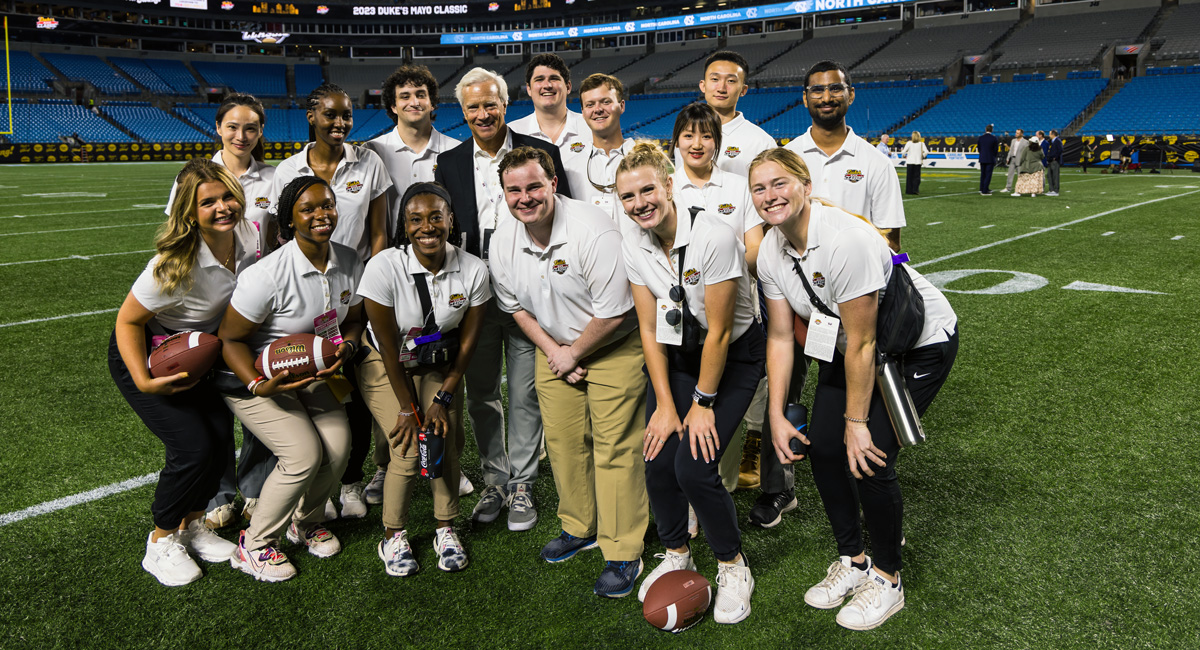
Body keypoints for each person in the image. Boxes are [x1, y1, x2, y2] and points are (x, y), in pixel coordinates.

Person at [750, 147, 958, 631]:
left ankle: (888, 579)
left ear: (804, 184)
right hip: (854, 345)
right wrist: (778, 413)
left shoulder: (845, 240)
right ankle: (854, 560)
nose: (769, 196)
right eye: (758, 188)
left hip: (916, 345)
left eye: (779, 183)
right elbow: (782, 337)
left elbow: (864, 344)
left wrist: (858, 424)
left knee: (869, 456)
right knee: (823, 449)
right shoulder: (771, 252)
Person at [490, 146, 648, 598]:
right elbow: (516, 307)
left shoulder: (593, 231)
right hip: (554, 346)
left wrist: (575, 351)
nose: (525, 197)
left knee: (615, 446)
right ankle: (581, 527)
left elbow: (617, 312)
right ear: (503, 193)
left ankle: (623, 550)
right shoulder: (503, 238)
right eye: (514, 190)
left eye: (534, 186)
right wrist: (556, 352)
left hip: (613, 345)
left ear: (553, 184)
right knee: (561, 441)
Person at [617, 141, 761, 623]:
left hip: (734, 356)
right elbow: (648, 327)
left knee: (696, 466)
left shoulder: (714, 236)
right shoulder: (633, 242)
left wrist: (701, 403)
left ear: (669, 185)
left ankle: (732, 563)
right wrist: (664, 403)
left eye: (647, 190)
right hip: (680, 353)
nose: (639, 204)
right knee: (657, 456)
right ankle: (677, 551)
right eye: (628, 197)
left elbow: (719, 331)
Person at [434, 67, 572, 532]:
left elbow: (564, 220)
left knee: (526, 390)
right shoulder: (449, 163)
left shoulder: (543, 154)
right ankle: (494, 477)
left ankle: (522, 482)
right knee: (483, 393)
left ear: (505, 103)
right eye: (472, 106)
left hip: (532, 295)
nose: (482, 113)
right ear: (463, 111)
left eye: (490, 103)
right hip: (475, 299)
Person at [110, 158, 252, 586]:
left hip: (199, 356)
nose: (223, 207)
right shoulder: (172, 263)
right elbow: (127, 322)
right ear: (190, 212)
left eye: (228, 195)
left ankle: (192, 526)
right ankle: (160, 542)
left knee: (218, 442)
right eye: (208, 202)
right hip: (152, 357)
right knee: (191, 448)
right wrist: (143, 380)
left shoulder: (248, 234)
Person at [219, 175, 364, 582]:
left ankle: (305, 520)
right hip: (256, 378)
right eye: (308, 209)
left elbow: (352, 321)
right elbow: (230, 339)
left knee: (338, 446)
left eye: (328, 205)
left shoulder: (350, 261)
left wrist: (346, 349)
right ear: (289, 220)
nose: (321, 215)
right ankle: (255, 545)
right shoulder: (266, 275)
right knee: (303, 453)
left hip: (311, 373)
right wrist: (257, 384)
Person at [272, 83, 392, 520]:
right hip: (304, 294)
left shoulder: (370, 163)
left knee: (356, 392)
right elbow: (277, 237)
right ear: (311, 115)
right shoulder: (286, 170)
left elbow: (379, 232)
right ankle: (299, 486)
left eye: (346, 116)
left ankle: (351, 482)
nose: (340, 123)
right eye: (330, 115)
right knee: (304, 387)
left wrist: (373, 285)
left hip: (353, 294)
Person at [357, 182, 490, 577]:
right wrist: (408, 407)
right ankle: (393, 535)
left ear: (451, 219)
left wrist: (442, 399)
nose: (426, 227)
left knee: (441, 438)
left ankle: (445, 528)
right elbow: (386, 343)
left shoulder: (473, 269)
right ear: (404, 225)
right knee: (408, 448)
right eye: (416, 219)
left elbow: (467, 344)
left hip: (438, 362)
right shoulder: (383, 267)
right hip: (385, 363)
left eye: (436, 217)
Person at [163, 94, 277, 530]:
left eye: (250, 127)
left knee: (257, 396)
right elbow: (179, 237)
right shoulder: (193, 177)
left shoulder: (274, 177)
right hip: (206, 308)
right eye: (232, 126)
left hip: (254, 308)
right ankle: (219, 494)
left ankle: (253, 490)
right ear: (218, 128)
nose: (241, 135)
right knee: (211, 406)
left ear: (261, 131)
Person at [362, 65, 467, 506]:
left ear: (432, 101)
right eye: (404, 95)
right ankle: (386, 463)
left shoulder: (455, 150)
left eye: (420, 94)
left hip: (442, 271)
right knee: (391, 372)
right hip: (394, 270)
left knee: (439, 368)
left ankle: (449, 465)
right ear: (392, 105)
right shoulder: (374, 151)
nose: (413, 102)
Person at [669, 102, 767, 500]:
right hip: (678, 323)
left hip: (736, 315)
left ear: (718, 142)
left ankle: (718, 488)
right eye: (688, 135)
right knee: (683, 406)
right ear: (675, 141)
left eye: (706, 135)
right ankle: (684, 493)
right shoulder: (665, 186)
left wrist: (713, 271)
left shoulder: (738, 187)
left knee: (723, 409)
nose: (697, 143)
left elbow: (756, 250)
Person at [784, 60, 905, 252]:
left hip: (857, 277)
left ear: (851, 95)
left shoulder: (878, 163)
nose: (826, 98)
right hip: (796, 275)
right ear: (805, 98)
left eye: (836, 89)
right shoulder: (784, 159)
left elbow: (891, 241)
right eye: (817, 90)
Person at [676, 50, 777, 178]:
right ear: (703, 85)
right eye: (715, 79)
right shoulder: (685, 136)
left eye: (731, 81)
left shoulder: (762, 143)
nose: (721, 88)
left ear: (743, 90)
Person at [562, 73, 637, 234]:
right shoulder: (571, 169)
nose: (597, 110)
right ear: (582, 112)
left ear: (622, 106)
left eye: (606, 102)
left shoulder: (645, 159)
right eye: (590, 105)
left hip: (641, 256)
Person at [508, 53, 587, 170]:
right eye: (539, 80)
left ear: (568, 86)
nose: (547, 85)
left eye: (554, 79)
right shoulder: (512, 132)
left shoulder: (590, 127)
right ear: (529, 89)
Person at [900, 132, 929, 196]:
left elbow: (903, 152)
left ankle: (909, 190)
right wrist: (922, 155)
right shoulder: (922, 144)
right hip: (918, 162)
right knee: (916, 177)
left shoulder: (909, 143)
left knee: (909, 177)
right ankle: (915, 189)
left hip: (910, 162)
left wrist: (904, 156)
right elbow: (926, 151)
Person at [999, 129, 1026, 193]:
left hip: (1020, 159)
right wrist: (1008, 158)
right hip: (1012, 159)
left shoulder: (1025, 142)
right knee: (1010, 174)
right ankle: (1008, 187)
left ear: (1021, 134)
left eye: (1018, 133)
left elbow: (1026, 152)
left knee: (1020, 175)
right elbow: (1011, 150)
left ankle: (1021, 188)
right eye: (1016, 133)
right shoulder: (1013, 140)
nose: (1016, 134)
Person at [977, 124, 999, 196]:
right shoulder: (994, 138)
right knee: (988, 175)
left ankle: (982, 188)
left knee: (983, 174)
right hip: (990, 158)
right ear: (992, 130)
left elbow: (979, 148)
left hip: (982, 158)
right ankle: (985, 190)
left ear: (985, 129)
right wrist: (994, 156)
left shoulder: (981, 138)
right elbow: (995, 149)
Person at [1045, 130, 1062, 196]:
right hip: (1050, 161)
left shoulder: (1057, 140)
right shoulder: (1052, 141)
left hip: (1054, 161)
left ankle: (1056, 190)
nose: (1049, 135)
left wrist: (1055, 157)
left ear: (1053, 134)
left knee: (1055, 176)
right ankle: (1051, 190)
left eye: (1050, 134)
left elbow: (1060, 150)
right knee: (1049, 175)